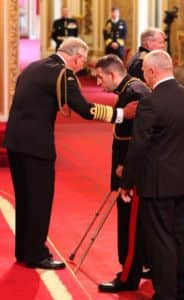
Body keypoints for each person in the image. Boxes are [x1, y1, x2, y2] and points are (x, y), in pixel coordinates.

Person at [3, 37, 137, 270]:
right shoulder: (63, 75)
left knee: (25, 198)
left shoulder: (34, 67)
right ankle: (36, 254)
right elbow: (86, 109)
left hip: (14, 142)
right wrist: (121, 115)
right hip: (37, 146)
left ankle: (24, 251)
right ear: (76, 58)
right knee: (39, 201)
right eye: (83, 61)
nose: (82, 66)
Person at [120, 50, 184, 300]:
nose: (144, 77)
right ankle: (181, 291)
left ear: (153, 71)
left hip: (157, 185)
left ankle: (165, 294)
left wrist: (127, 182)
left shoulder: (150, 103)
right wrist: (180, 164)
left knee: (161, 240)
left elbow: (138, 146)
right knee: (180, 235)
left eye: (144, 72)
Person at [95, 54, 151, 293]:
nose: (98, 83)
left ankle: (128, 275)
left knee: (129, 223)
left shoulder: (134, 93)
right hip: (127, 168)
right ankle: (145, 265)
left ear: (112, 74)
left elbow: (141, 139)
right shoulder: (129, 89)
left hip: (130, 172)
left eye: (99, 78)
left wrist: (126, 169)